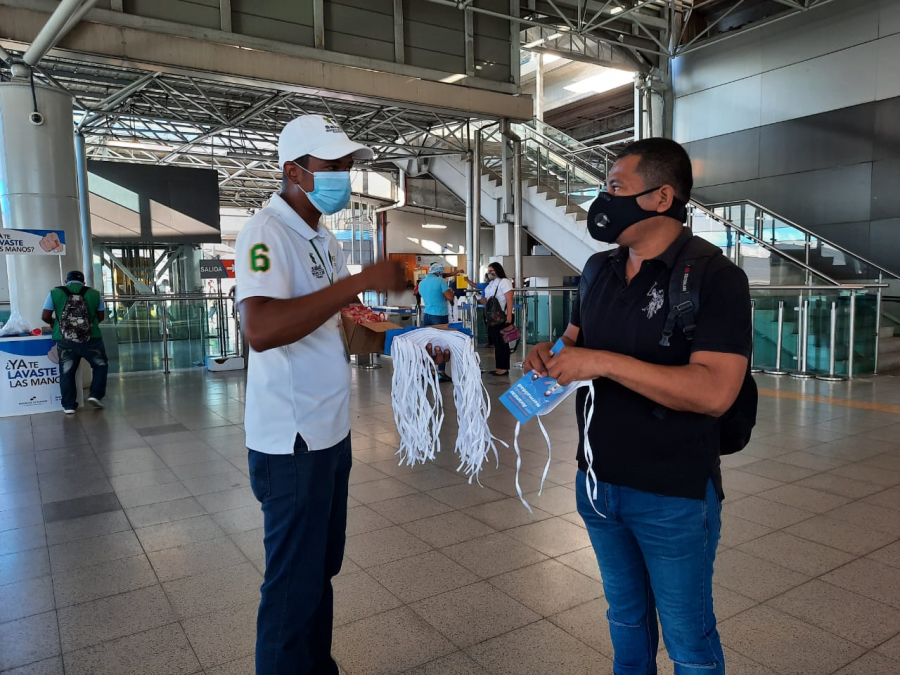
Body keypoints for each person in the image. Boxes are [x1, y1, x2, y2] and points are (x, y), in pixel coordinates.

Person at [524, 138, 751, 675]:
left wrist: (601, 362)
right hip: (598, 484)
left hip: (672, 493)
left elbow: (715, 391)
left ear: (661, 197)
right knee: (625, 621)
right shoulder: (599, 269)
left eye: (617, 188)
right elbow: (574, 344)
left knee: (688, 639)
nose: (604, 200)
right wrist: (551, 355)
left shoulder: (716, 279)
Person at [235, 114, 447, 675]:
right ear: (295, 171)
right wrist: (355, 282)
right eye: (333, 167)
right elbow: (260, 329)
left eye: (348, 166)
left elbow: (344, 324)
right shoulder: (265, 233)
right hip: (293, 440)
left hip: (332, 431)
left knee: (320, 569)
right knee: (290, 585)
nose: (344, 178)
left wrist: (409, 341)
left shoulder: (324, 240)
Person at [41, 270, 109, 414]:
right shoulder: (95, 294)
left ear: (66, 281)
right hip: (92, 339)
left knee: (67, 372)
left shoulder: (54, 292)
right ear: (83, 282)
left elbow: (45, 316)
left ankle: (69, 406)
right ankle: (95, 395)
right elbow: (100, 317)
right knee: (100, 365)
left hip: (65, 339)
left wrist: (56, 323)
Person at [470, 262, 514, 375]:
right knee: (497, 342)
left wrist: (509, 315)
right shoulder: (491, 283)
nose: (490, 273)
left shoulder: (504, 282)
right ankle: (499, 367)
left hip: (501, 317)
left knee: (502, 343)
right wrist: (478, 298)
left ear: (498, 270)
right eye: (489, 271)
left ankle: (503, 368)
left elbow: (509, 299)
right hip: (492, 318)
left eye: (492, 271)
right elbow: (487, 300)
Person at [417, 262, 454, 382]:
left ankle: (425, 371)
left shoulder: (421, 283)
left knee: (428, 344)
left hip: (427, 314)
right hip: (439, 315)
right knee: (440, 344)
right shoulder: (440, 281)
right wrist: (450, 291)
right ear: (439, 272)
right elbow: (450, 297)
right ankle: (441, 372)